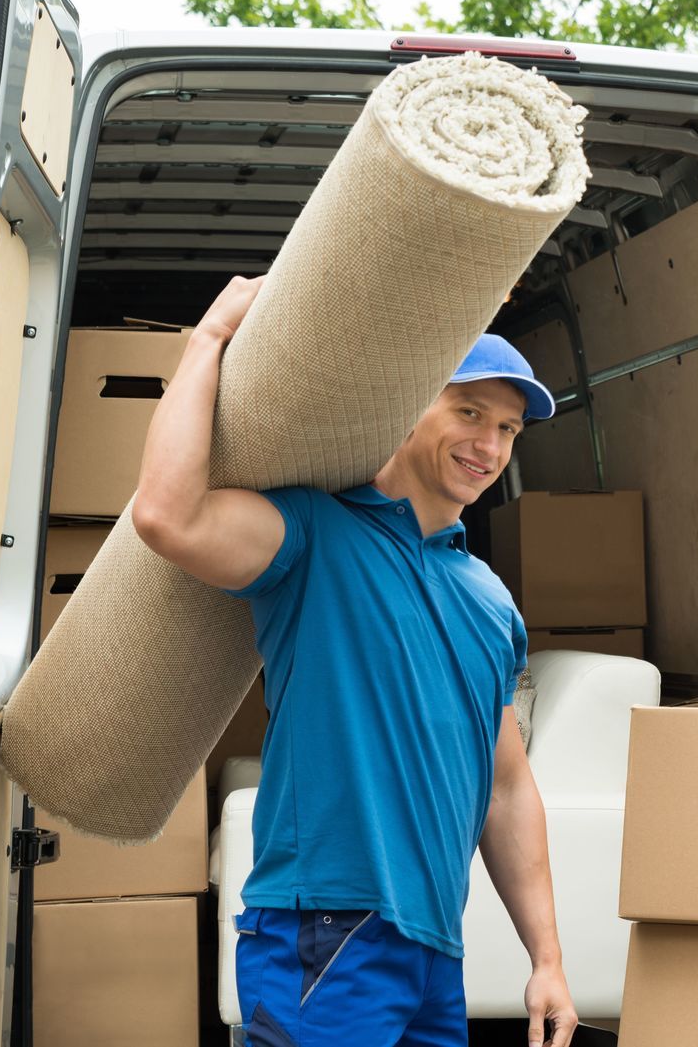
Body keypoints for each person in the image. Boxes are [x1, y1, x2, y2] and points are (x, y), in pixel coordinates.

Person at [133, 276, 577, 1047]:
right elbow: (168, 516)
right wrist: (208, 339)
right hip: (325, 931)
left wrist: (548, 958)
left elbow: (506, 788)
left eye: (508, 429)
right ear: (408, 405)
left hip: (435, 952)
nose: (490, 446)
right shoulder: (317, 534)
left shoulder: (490, 602)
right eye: (469, 412)